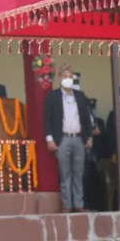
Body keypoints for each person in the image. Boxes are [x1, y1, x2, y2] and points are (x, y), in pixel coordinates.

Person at [43, 63, 93, 212]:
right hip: (62, 139)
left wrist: (89, 137)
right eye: (65, 77)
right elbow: (47, 119)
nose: (67, 79)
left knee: (79, 173)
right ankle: (67, 205)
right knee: (65, 174)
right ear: (59, 78)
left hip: (78, 138)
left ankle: (78, 204)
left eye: (70, 77)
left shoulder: (80, 96)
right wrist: (49, 139)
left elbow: (86, 118)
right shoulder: (53, 96)